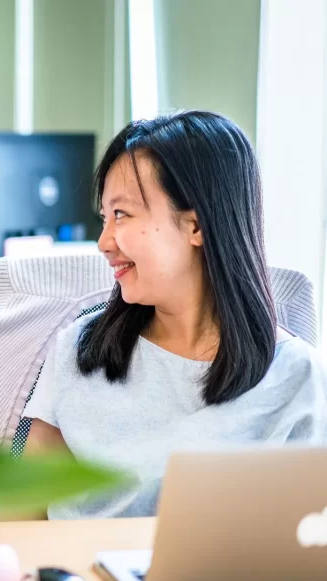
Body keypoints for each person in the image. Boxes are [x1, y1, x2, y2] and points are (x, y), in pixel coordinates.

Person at [23, 111, 327, 518]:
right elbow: (17, 520)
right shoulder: (79, 349)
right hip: (80, 580)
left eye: (122, 215)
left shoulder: (297, 376)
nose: (104, 242)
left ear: (196, 225)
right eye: (104, 218)